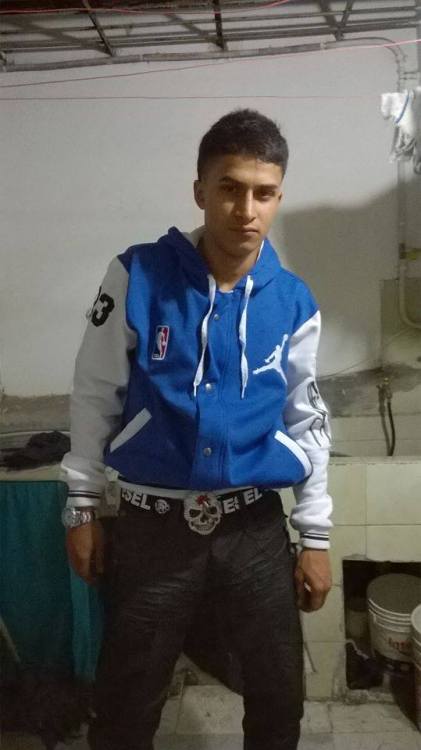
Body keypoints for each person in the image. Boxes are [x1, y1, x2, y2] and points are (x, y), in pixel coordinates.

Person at [61, 108, 333, 750]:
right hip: (152, 527)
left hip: (254, 526)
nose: (246, 210)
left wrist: (316, 533)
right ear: (200, 191)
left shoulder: (293, 299)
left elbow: (307, 416)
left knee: (278, 697)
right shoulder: (137, 275)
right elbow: (94, 393)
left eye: (264, 193)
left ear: (279, 198)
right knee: (126, 702)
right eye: (230, 188)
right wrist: (81, 507)